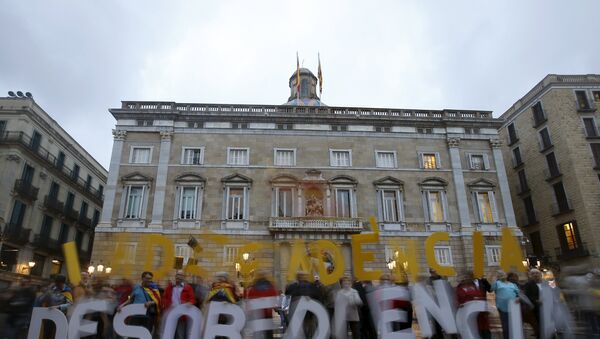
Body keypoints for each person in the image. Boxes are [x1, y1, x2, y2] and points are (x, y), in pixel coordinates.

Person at [285, 271, 322, 338]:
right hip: (298, 314)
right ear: (297, 277)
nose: (302, 277)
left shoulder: (312, 286)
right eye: (300, 276)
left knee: (308, 331)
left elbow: (318, 298)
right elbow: (287, 298)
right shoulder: (293, 287)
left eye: (304, 276)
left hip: (309, 314)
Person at [456, 271, 491, 339]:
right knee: (473, 329)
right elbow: (458, 297)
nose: (466, 278)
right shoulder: (460, 287)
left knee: (484, 329)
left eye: (468, 277)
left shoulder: (474, 285)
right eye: (465, 277)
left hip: (480, 312)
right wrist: (460, 304)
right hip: (467, 313)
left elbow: (482, 294)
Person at [162, 270, 196, 339]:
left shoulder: (188, 287)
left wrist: (189, 303)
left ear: (184, 277)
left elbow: (192, 299)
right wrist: (167, 305)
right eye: (177, 275)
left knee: (180, 334)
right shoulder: (170, 287)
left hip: (182, 315)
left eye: (181, 275)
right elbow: (164, 298)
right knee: (169, 333)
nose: (178, 276)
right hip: (170, 314)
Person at [246, 270, 279, 339]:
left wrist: (249, 312)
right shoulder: (271, 287)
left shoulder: (253, 288)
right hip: (268, 313)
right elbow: (274, 300)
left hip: (257, 314)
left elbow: (250, 300)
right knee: (269, 333)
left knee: (257, 333)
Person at [491, 270, 520, 339]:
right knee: (506, 326)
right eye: (500, 275)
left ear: (506, 276)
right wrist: (494, 280)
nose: (502, 276)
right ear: (498, 277)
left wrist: (518, 298)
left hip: (513, 306)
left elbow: (518, 293)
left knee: (514, 325)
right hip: (502, 307)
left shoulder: (512, 284)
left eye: (503, 274)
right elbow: (491, 289)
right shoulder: (497, 283)